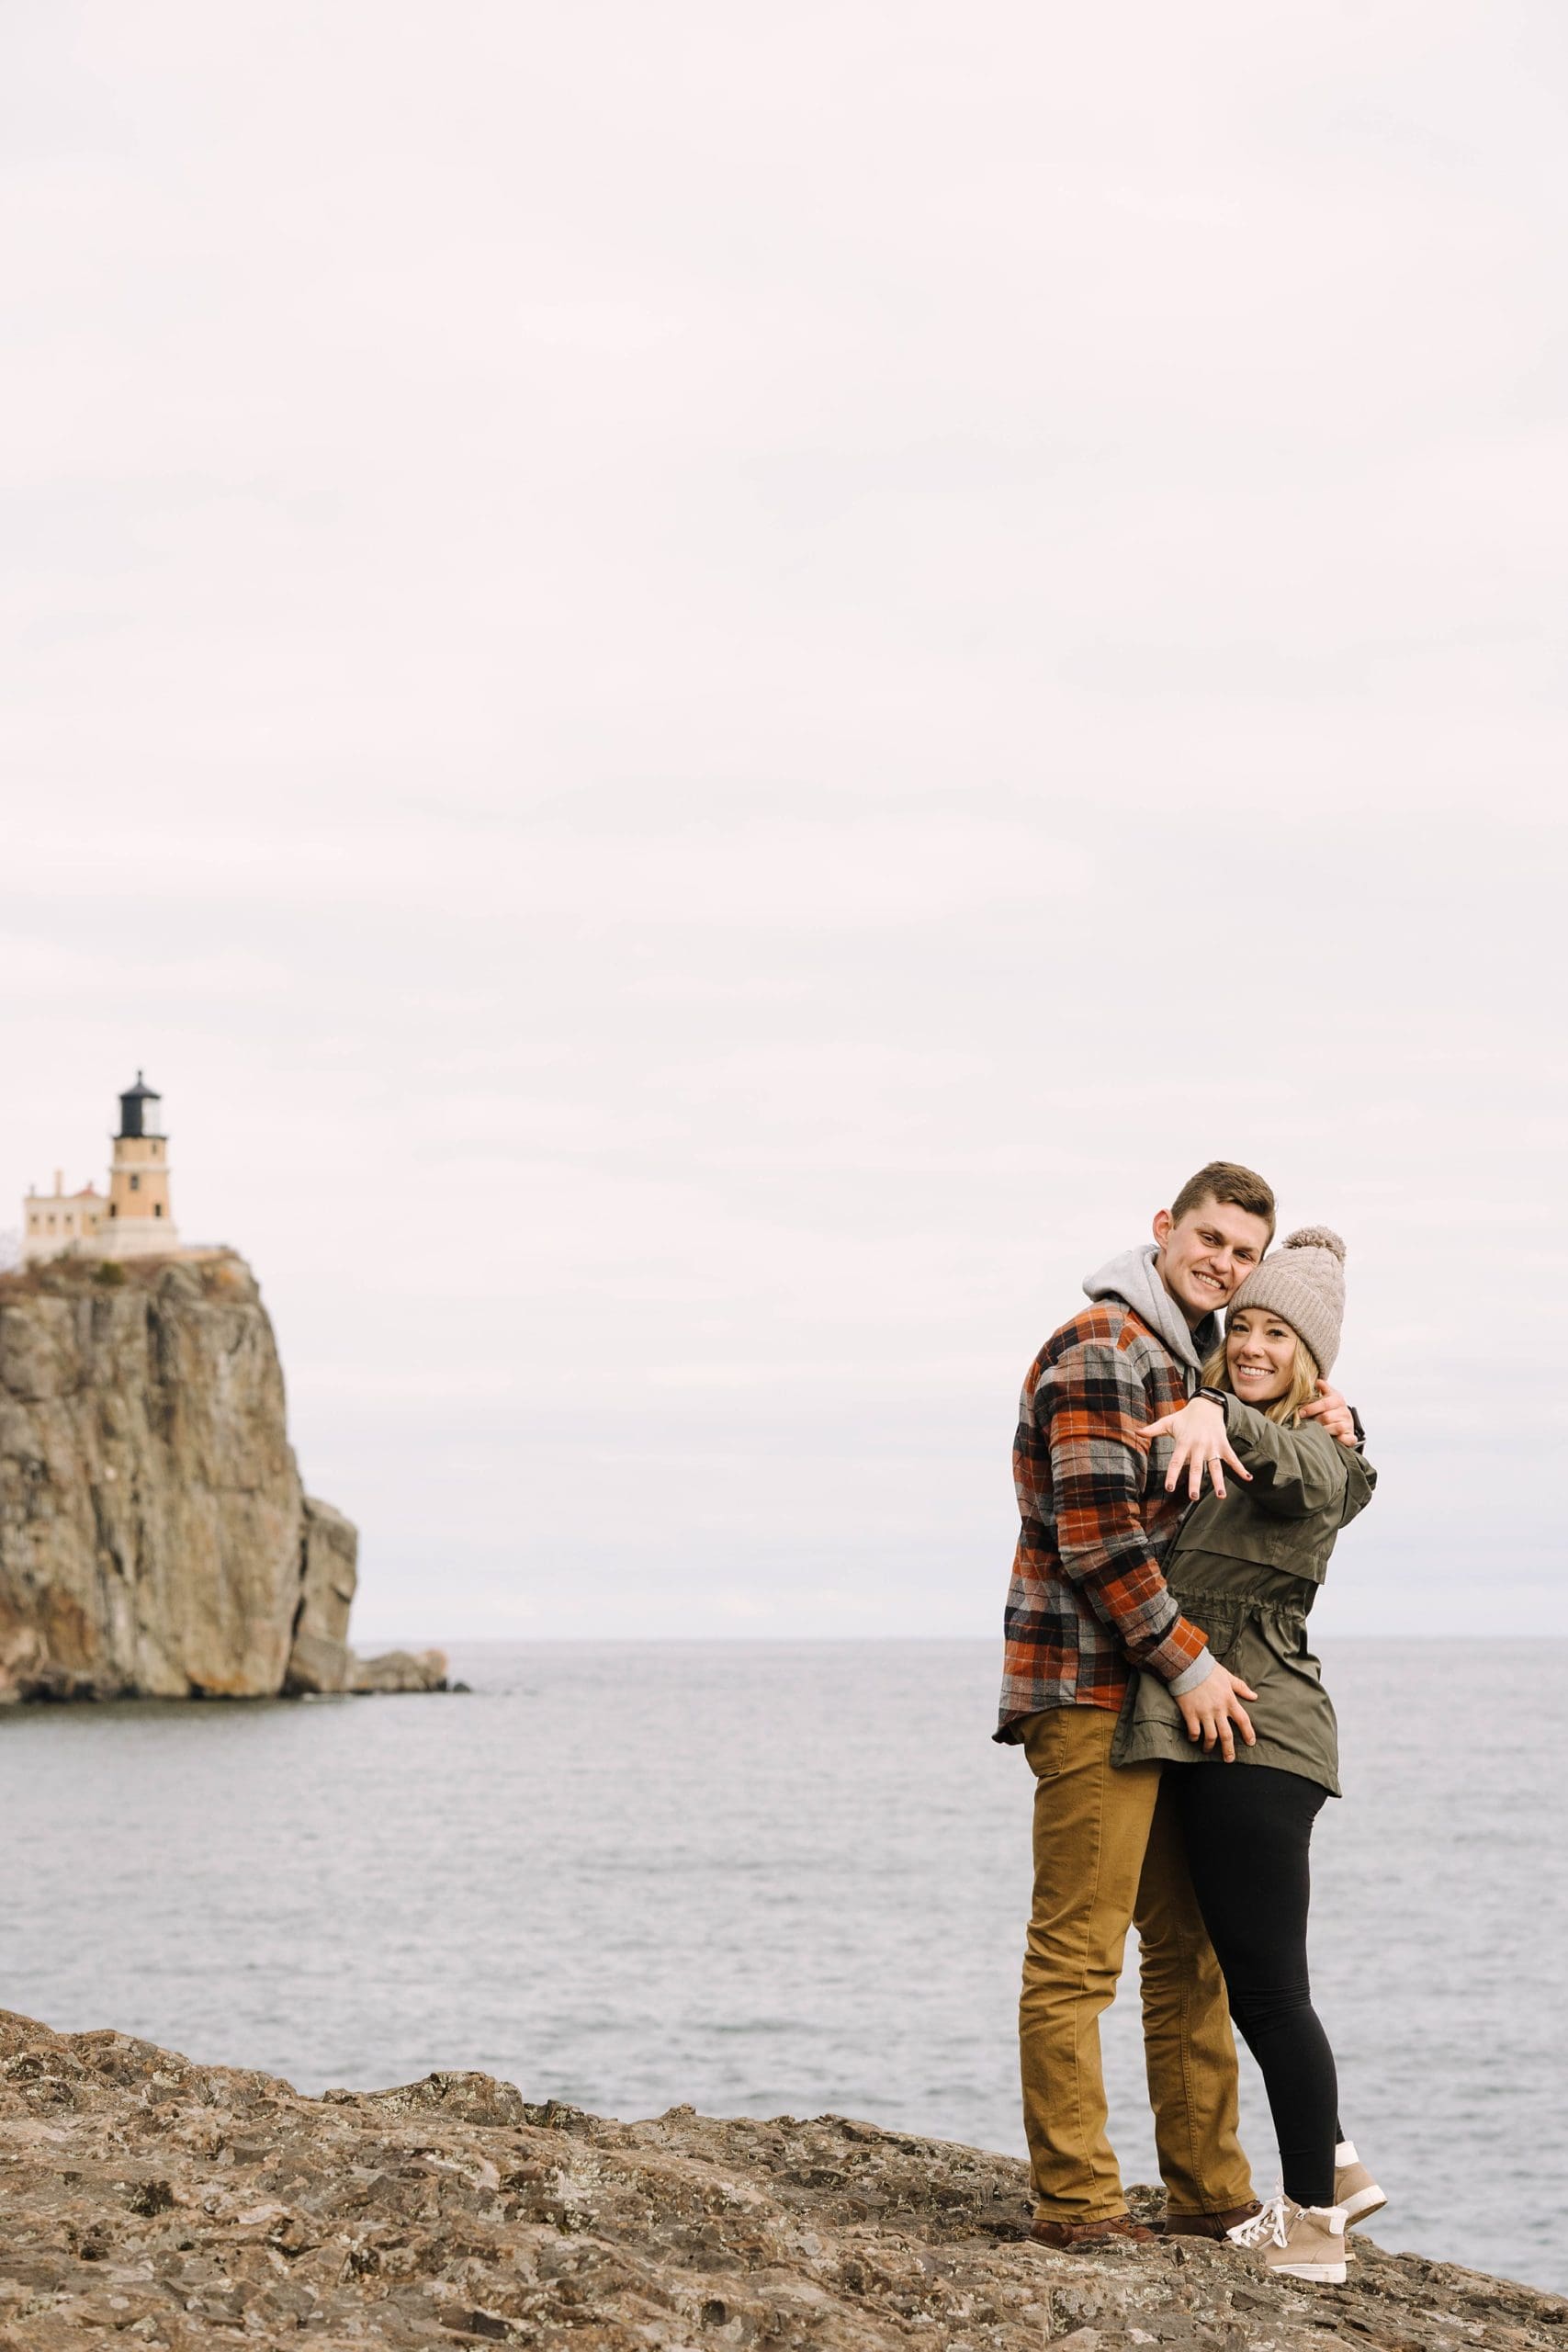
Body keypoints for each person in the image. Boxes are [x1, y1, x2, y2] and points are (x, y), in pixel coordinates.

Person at [996, 1163, 1358, 2247]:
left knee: (1189, 1953)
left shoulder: (1190, 1359)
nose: (1224, 1264)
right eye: (1210, 1239)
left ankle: (1209, 2193)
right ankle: (1077, 2203)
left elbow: (1280, 1436)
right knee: (1079, 1953)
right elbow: (1097, 1536)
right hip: (1090, 1685)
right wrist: (1194, 1663)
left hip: (1156, 1697)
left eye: (1245, 1253)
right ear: (1165, 1228)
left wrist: (1340, 1411)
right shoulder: (1103, 1346)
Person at [1117, 1227, 1383, 2284]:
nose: (1255, 1344)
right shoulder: (1258, 1427)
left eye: (1280, 1333)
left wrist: (1212, 1410)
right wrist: (1206, 1408)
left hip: (1261, 1739)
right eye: (1246, 1327)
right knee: (1242, 1976)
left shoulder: (1322, 1451)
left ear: (1311, 1359)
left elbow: (1298, 1464)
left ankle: (1315, 2231)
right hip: (1224, 1732)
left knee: (1271, 1993)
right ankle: (1339, 2167)